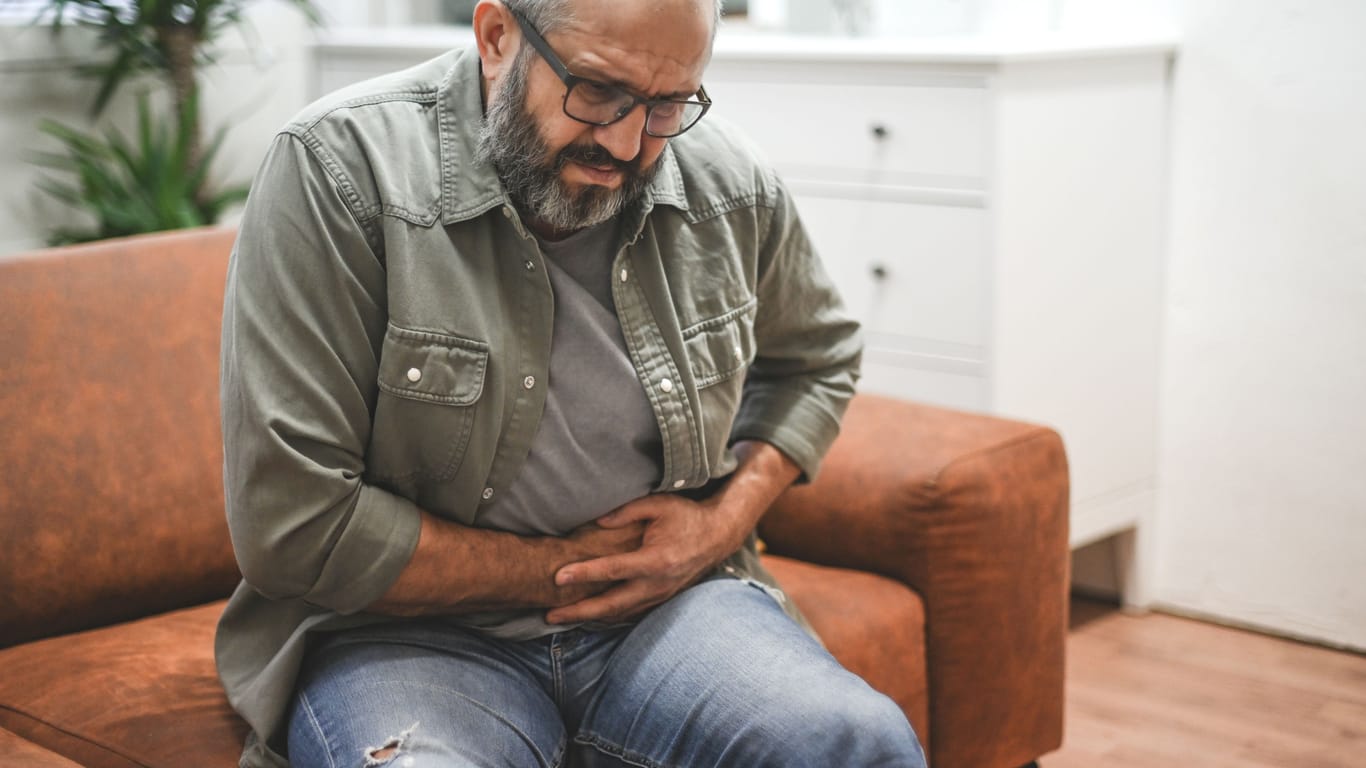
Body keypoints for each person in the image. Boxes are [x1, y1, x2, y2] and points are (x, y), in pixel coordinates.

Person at [216, 0, 927, 765]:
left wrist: (716, 529)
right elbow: (293, 525)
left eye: (666, 105)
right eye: (597, 90)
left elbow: (815, 362)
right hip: (403, 636)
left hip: (672, 614)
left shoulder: (727, 183)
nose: (627, 142)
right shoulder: (339, 171)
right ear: (496, 37)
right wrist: (566, 572)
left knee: (861, 743)